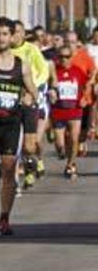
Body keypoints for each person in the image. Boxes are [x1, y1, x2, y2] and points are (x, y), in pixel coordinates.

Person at [0, 17, 36, 236]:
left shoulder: (22, 65)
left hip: (11, 123)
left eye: (5, 34)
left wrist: (30, 98)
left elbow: (32, 91)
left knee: (9, 168)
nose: (1, 38)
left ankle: (4, 217)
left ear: (12, 37)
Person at [11, 20, 50, 188]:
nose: (15, 35)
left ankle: (31, 167)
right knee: (12, 144)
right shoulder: (4, 51)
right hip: (12, 101)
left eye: (18, 31)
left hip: (32, 100)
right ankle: (14, 178)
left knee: (30, 144)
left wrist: (32, 87)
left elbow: (44, 72)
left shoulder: (31, 50)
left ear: (23, 33)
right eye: (12, 32)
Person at [49, 44, 91, 179]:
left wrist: (85, 97)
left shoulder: (78, 71)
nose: (64, 59)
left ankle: (71, 164)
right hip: (58, 111)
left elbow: (87, 85)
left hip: (75, 111)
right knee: (60, 145)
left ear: (71, 57)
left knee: (74, 139)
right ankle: (63, 154)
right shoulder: (53, 71)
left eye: (67, 57)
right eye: (61, 57)